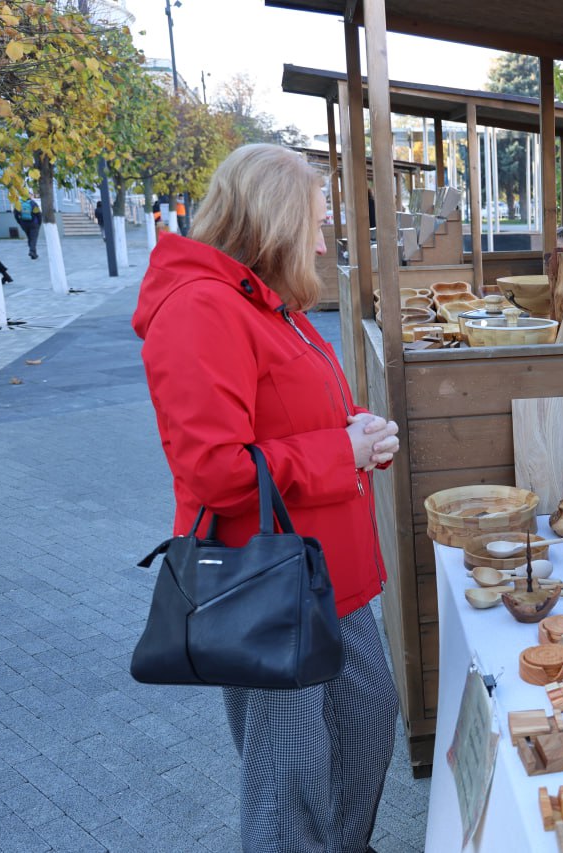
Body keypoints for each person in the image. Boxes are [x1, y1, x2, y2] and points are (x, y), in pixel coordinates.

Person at [132, 144, 401, 851]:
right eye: (314, 223)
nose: (321, 240)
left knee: (369, 714)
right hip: (267, 586)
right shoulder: (201, 308)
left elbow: (291, 416)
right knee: (290, 775)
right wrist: (339, 451)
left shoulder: (264, 300)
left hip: (323, 574)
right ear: (274, 225)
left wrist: (356, 434)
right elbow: (214, 468)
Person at [13, 195, 41, 259]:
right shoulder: (33, 203)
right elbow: (38, 214)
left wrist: (19, 222)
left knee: (30, 238)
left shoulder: (19, 203)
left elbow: (15, 214)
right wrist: (39, 223)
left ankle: (34, 253)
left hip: (24, 223)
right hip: (34, 223)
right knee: (33, 238)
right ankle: (32, 251)